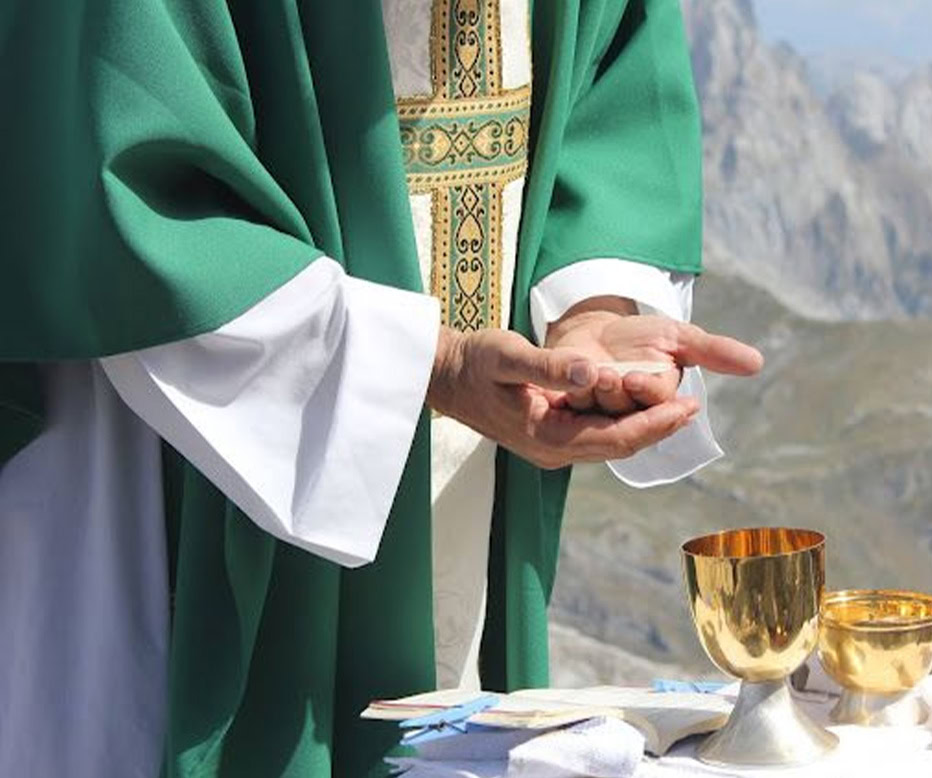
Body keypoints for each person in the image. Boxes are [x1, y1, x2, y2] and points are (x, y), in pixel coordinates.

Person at [0, 0, 762, 775]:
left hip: (481, 471)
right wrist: (429, 366)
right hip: (178, 448)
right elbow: (127, 179)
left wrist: (593, 306)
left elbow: (615, 74)